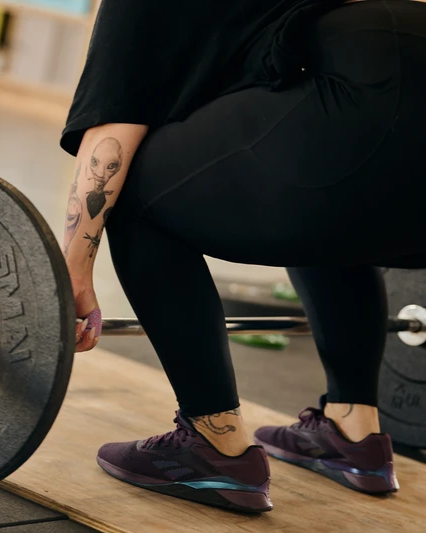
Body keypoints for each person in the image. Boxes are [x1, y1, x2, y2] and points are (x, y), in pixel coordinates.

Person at [60, 0, 426, 513]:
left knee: (134, 192)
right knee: (330, 209)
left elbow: (111, 139)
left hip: (359, 96)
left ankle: (216, 442)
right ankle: (354, 431)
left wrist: (72, 268)